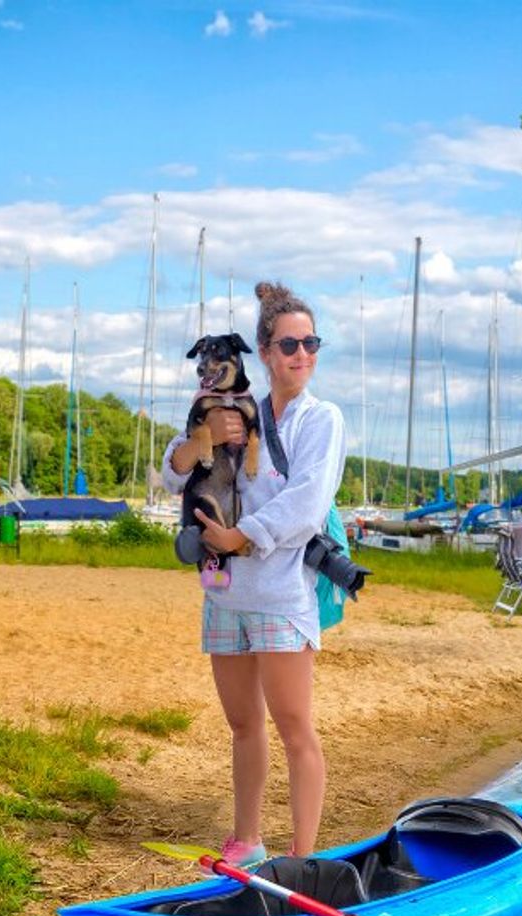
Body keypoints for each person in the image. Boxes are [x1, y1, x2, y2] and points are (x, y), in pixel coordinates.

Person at [161, 281, 346, 864]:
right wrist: (205, 441)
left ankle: (302, 856)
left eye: (311, 343)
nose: (302, 356)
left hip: (281, 593)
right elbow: (172, 474)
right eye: (289, 345)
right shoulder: (238, 411)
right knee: (243, 726)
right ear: (264, 352)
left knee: (295, 729)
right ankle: (247, 840)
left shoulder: (323, 420)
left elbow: (306, 504)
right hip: (223, 591)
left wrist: (241, 536)